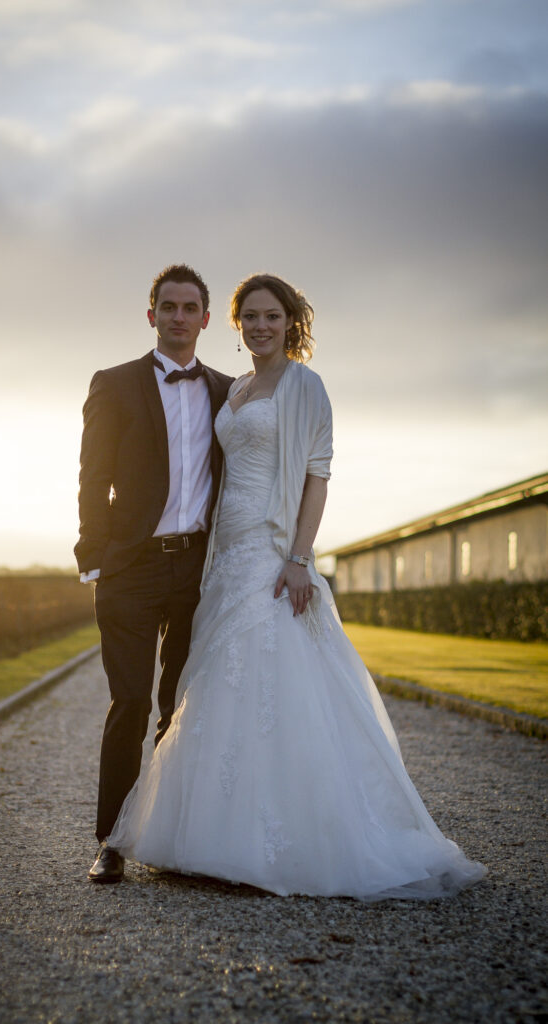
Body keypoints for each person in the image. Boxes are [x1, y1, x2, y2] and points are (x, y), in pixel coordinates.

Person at [106, 273, 487, 900]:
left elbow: (317, 474)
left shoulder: (305, 386)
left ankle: (285, 838)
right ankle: (206, 835)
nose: (260, 326)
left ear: (290, 322)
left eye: (271, 316)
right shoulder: (235, 391)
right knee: (214, 686)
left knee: (270, 677)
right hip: (222, 556)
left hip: (272, 550)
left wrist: (299, 557)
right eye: (250, 317)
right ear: (234, 325)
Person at [75, 264, 233, 883]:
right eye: (166, 306)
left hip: (198, 567)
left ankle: (170, 837)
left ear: (205, 317)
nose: (177, 316)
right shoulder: (112, 384)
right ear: (151, 316)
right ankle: (111, 840)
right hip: (132, 568)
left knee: (182, 705)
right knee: (131, 701)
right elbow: (92, 477)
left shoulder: (228, 390)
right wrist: (95, 558)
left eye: (189, 306)